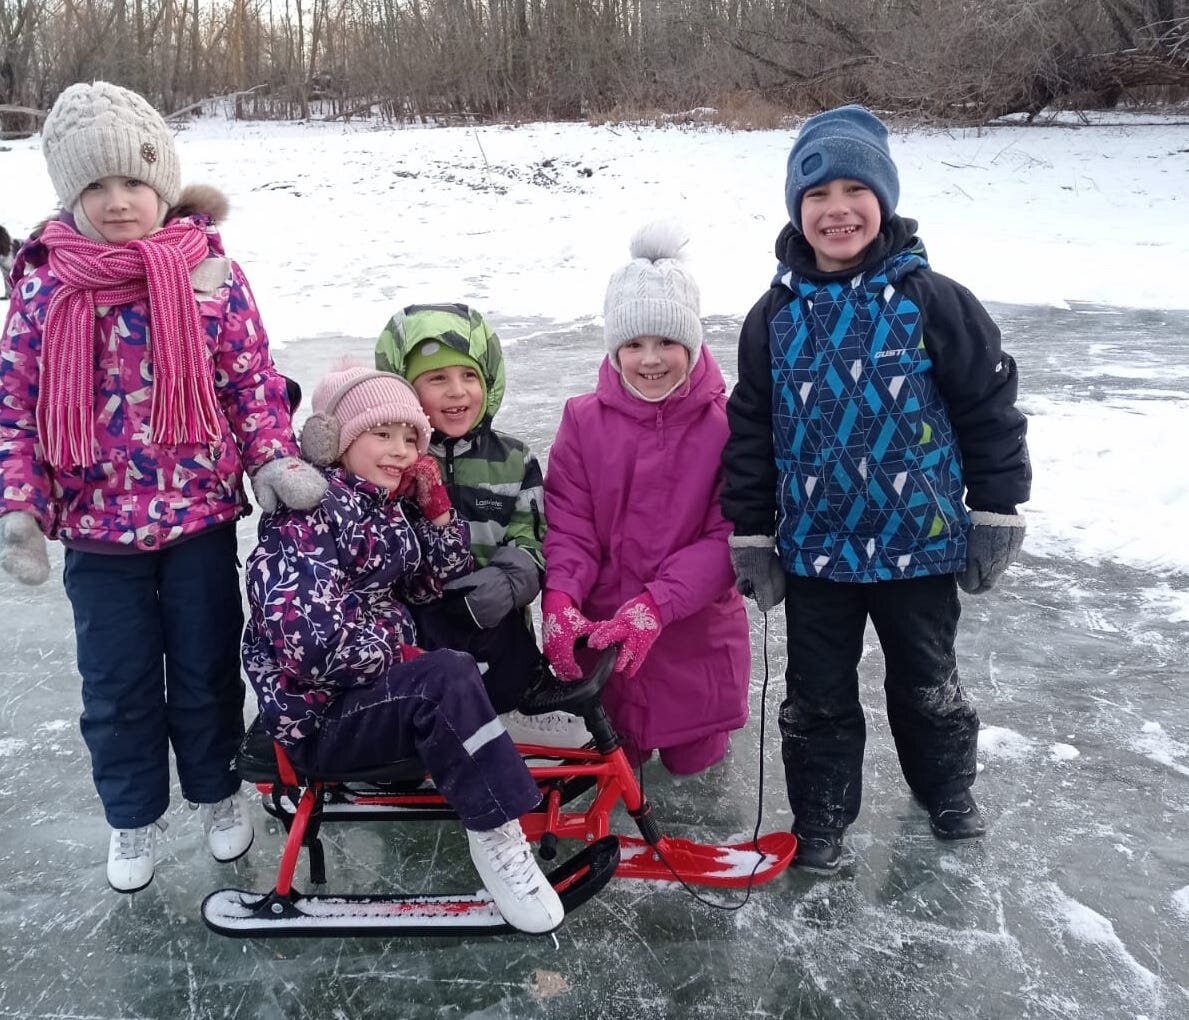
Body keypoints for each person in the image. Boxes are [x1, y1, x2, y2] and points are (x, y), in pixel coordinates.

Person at [0, 81, 326, 892]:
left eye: (134, 182)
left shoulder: (211, 273)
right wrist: (21, 506)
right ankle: (132, 816)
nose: (118, 203)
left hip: (198, 517)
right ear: (69, 194)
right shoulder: (44, 284)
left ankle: (216, 795)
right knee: (116, 684)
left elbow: (249, 380)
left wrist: (272, 460)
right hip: (98, 529)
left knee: (207, 666)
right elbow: (15, 405)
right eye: (96, 186)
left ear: (164, 182)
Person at [721, 105, 1031, 873]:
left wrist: (995, 508)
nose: (836, 209)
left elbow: (988, 408)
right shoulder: (775, 315)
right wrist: (751, 532)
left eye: (855, 189)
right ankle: (820, 819)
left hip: (917, 546)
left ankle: (946, 791)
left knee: (928, 686)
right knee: (816, 699)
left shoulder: (932, 300)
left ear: (883, 201)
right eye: (817, 193)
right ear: (796, 208)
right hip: (817, 551)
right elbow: (752, 429)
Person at [241, 366, 564, 934]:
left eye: (410, 438)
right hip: (320, 716)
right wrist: (402, 652)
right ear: (339, 439)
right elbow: (311, 647)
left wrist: (437, 512)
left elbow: (434, 584)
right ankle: (496, 837)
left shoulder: (383, 507)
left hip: (363, 686)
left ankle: (497, 761)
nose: (399, 451)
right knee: (446, 677)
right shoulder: (306, 517)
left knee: (465, 641)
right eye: (381, 435)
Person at [540, 221, 750, 775]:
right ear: (615, 349)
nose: (650, 360)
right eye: (633, 344)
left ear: (693, 342)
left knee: (695, 769)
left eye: (667, 343)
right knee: (617, 763)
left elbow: (728, 537)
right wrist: (561, 596)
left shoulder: (728, 427)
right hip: (608, 641)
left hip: (694, 642)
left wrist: (657, 605)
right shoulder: (582, 422)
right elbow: (569, 526)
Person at [375, 303, 587, 745]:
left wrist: (509, 581)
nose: (457, 392)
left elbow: (535, 535)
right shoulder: (390, 460)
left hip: (497, 634)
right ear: (404, 389)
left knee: (504, 648)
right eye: (437, 379)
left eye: (468, 376)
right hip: (418, 631)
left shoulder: (514, 459)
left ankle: (513, 713)